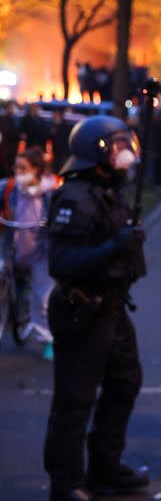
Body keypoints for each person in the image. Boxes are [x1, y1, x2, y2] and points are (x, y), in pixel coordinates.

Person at [43, 116, 148, 501]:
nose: (126, 153)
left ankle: (105, 466)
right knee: (75, 400)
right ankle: (66, 482)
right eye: (118, 145)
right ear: (98, 152)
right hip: (82, 310)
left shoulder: (108, 190)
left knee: (125, 382)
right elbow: (63, 263)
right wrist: (116, 246)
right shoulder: (74, 198)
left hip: (112, 308)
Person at [0, 146, 59, 358]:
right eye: (16, 167)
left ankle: (47, 338)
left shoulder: (50, 192)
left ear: (36, 169)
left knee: (42, 298)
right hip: (13, 248)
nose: (18, 171)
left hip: (41, 252)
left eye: (23, 168)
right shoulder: (9, 188)